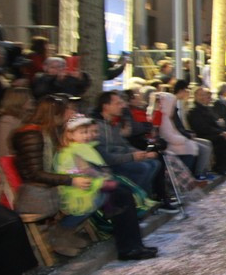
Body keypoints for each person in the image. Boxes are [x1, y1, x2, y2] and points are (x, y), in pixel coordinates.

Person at [54, 115, 157, 260]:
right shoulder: (71, 151)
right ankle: (129, 247)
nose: (87, 136)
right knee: (121, 194)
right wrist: (102, 180)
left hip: (92, 185)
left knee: (124, 192)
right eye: (83, 133)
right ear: (70, 135)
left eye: (88, 132)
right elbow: (82, 171)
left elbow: (93, 169)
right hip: (81, 191)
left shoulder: (84, 148)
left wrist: (104, 177)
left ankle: (134, 245)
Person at [12, 96, 93, 257]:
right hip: (36, 194)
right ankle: (59, 236)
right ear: (55, 115)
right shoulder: (31, 135)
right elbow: (35, 174)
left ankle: (64, 233)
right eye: (64, 112)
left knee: (97, 190)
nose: (67, 115)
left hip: (48, 187)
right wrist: (71, 180)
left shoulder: (46, 132)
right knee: (90, 195)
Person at [187, 87, 226, 175]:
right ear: (195, 96)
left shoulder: (207, 108)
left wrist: (223, 131)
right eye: (200, 95)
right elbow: (202, 127)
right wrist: (220, 132)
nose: (203, 97)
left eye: (204, 95)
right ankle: (219, 167)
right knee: (221, 139)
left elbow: (214, 123)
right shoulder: (194, 110)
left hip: (212, 131)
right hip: (203, 134)